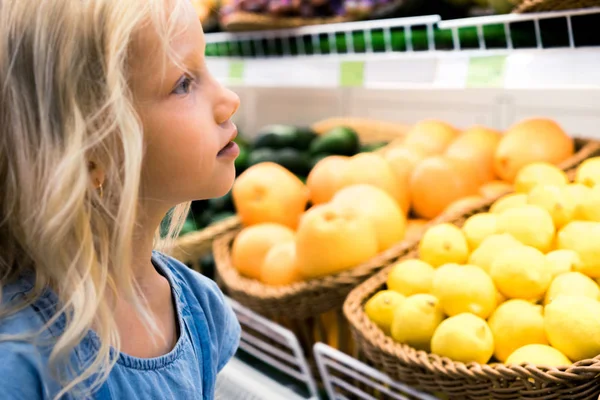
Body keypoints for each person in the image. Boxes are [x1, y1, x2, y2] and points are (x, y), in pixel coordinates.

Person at [0, 0, 242, 398]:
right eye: (184, 83)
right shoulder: (21, 365)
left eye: (207, 66)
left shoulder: (202, 311)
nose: (228, 99)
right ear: (87, 152)